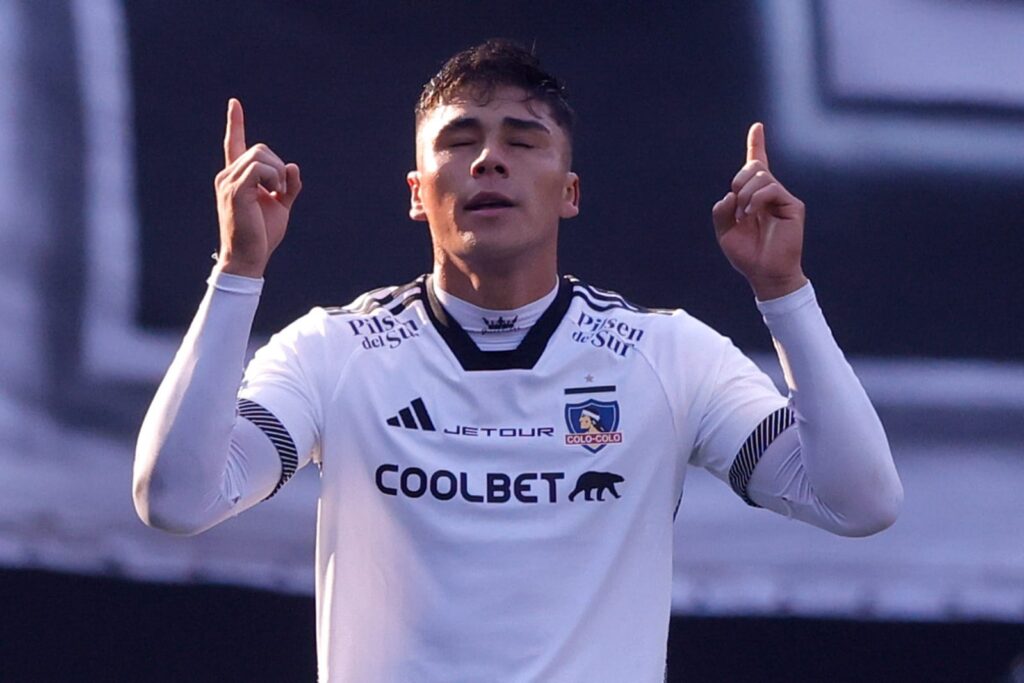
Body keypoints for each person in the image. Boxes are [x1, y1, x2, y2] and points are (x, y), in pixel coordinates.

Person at [133, 39, 903, 682]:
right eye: (460, 141)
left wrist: (785, 292)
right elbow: (177, 497)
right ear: (416, 192)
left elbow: (859, 500)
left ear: (569, 191)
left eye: (522, 141)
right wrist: (237, 272)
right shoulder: (334, 349)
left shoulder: (667, 355)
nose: (489, 161)